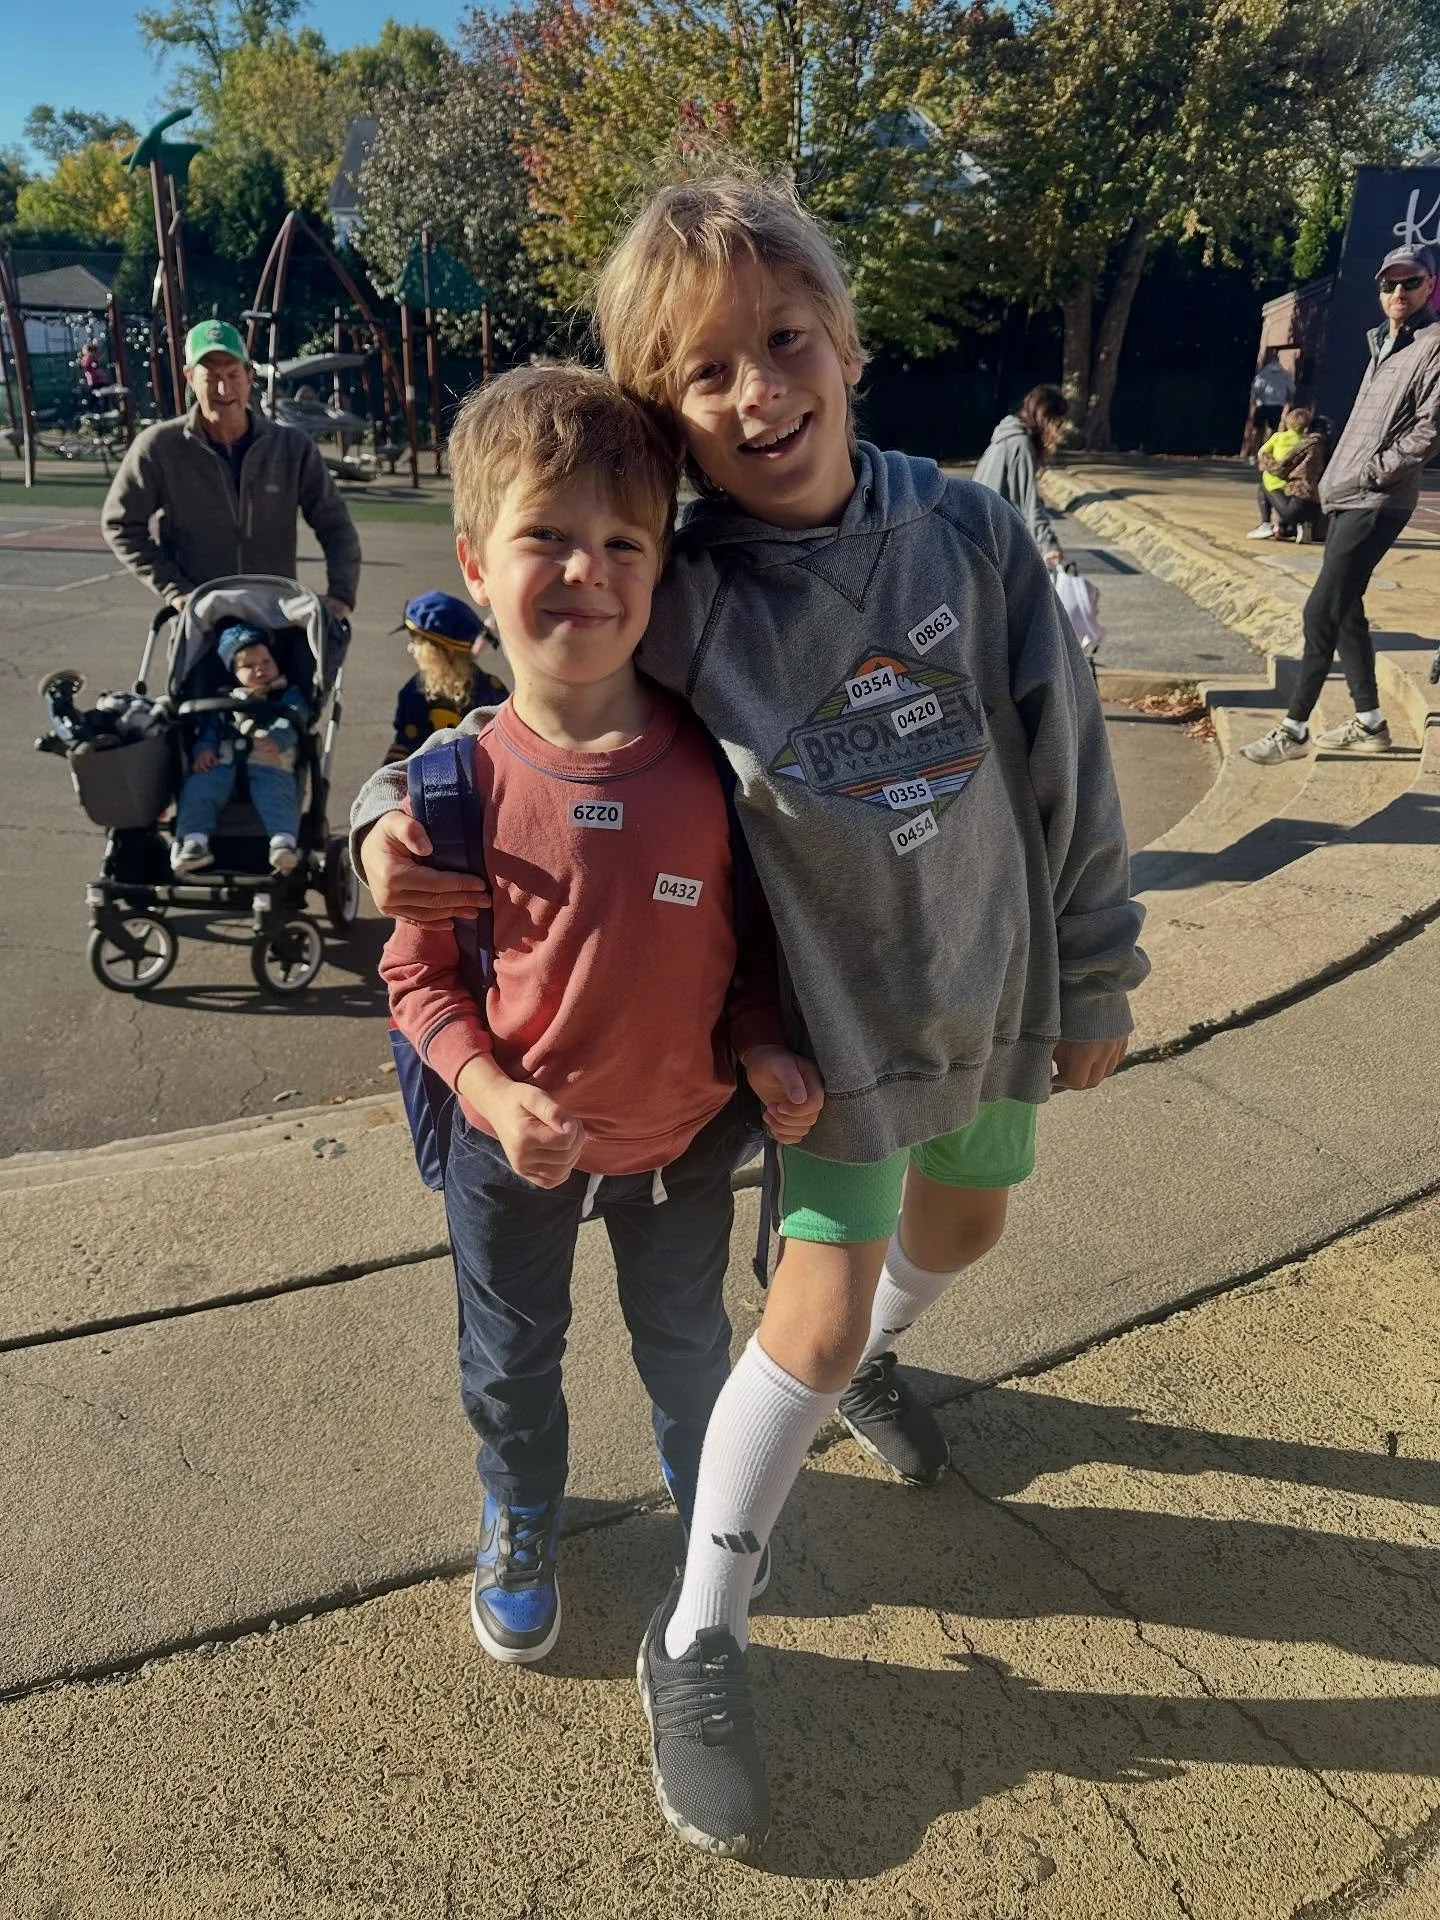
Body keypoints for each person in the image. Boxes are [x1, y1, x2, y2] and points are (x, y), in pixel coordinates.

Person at [353, 171, 1146, 1858]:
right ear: (665, 410)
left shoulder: (971, 532)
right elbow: (527, 706)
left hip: (996, 1001)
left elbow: (1068, 759)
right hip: (830, 1036)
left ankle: (872, 1369)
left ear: (845, 344)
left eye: (784, 343)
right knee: (814, 1311)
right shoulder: (687, 579)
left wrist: (1095, 969)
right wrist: (377, 816)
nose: (758, 392)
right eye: (704, 373)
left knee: (968, 1227)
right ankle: (700, 1632)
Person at [379, 362, 824, 1667]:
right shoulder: (449, 786)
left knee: (688, 1341)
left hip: (682, 1136)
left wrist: (763, 1043)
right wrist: (489, 1092)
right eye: (546, 537)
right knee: (513, 1358)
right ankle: (522, 1509)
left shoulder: (717, 765)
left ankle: (712, 1494)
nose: (587, 570)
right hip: (509, 1145)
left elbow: (753, 946)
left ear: (662, 564)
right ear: (475, 562)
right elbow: (419, 980)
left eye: (625, 542)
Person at [1242, 244, 1440, 765]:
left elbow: (1429, 430)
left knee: (1320, 611)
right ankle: (1370, 721)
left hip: (1379, 499)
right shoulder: (1384, 343)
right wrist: (1335, 480)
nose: (1399, 292)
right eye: (1389, 284)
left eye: (1411, 282)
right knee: (1346, 607)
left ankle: (1294, 729)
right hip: (1348, 494)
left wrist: (1373, 473)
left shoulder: (1433, 344)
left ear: (1431, 285)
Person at [102, 319, 361, 622]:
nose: (224, 389)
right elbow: (121, 524)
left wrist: (341, 594)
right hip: (202, 619)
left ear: (249, 376)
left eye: (233, 374)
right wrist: (175, 589)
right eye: (211, 376)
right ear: (189, 377)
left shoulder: (291, 447)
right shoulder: (159, 448)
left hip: (276, 614)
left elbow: (336, 525)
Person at [172, 622, 309, 875]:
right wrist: (204, 750)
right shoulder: (225, 700)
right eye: (248, 666)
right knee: (200, 787)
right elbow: (211, 731)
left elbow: (293, 721)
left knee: (276, 793)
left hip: (269, 758)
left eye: (266, 661)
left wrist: (276, 738)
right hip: (223, 760)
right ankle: (194, 842)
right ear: (233, 672)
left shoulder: (288, 695)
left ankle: (283, 842)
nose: (260, 669)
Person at [385, 590, 509, 765]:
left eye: (416, 641)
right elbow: (405, 748)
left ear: (439, 651)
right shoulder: (413, 692)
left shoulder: (490, 692)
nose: (410, 649)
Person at [971, 383, 1069, 565]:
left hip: (978, 533)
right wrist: (1049, 544)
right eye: (1058, 424)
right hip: (991, 540)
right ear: (1047, 419)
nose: (1058, 433)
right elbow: (1029, 503)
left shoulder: (1005, 437)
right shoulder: (1019, 445)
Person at [1247, 404, 1310, 538]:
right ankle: (1286, 526)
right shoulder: (1305, 442)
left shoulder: (1278, 437)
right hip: (1294, 487)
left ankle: (1265, 523)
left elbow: (1262, 452)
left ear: (1288, 423)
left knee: (1263, 486)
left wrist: (1270, 465)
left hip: (1275, 483)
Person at [1246, 347, 1295, 455]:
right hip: (1277, 405)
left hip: (1262, 404)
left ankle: (1254, 453)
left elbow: (1256, 388)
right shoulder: (1285, 374)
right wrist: (1289, 401)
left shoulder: (1263, 374)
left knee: (1258, 430)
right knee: (1273, 430)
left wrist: (1253, 401)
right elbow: (1291, 389)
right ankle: (1268, 453)